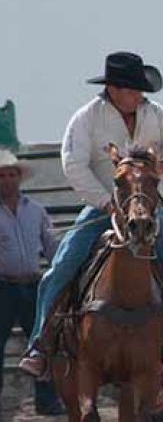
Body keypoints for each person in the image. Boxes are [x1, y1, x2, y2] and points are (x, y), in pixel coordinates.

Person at [18, 52, 163, 384]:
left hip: (150, 209)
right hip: (104, 208)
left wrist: (162, 168)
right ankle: (40, 346)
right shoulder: (88, 118)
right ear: (114, 89)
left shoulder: (155, 115)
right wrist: (106, 203)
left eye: (140, 89)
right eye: (132, 89)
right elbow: (73, 165)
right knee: (60, 268)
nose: (139, 95)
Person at [0, 150, 64, 415]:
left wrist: (61, 268)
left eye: (12, 174)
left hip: (32, 283)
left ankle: (47, 401)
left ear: (19, 178)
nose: (7, 180)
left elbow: (51, 246)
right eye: (2, 175)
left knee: (42, 343)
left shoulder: (36, 211)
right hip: (3, 286)